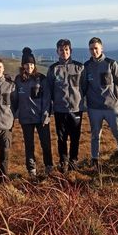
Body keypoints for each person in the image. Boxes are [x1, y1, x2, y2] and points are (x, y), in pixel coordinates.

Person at [84, 37, 118, 169]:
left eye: (96, 48)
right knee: (95, 135)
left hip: (111, 107)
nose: (94, 51)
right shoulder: (86, 66)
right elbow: (84, 86)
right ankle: (94, 159)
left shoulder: (111, 63)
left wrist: (116, 100)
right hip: (94, 108)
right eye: (91, 49)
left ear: (101, 48)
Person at [46, 39, 85, 173]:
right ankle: (63, 162)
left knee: (75, 137)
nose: (64, 52)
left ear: (71, 51)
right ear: (57, 52)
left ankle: (73, 162)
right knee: (61, 138)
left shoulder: (80, 68)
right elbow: (49, 90)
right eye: (61, 50)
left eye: (66, 50)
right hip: (60, 110)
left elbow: (85, 87)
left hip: (76, 109)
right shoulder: (53, 69)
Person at [14, 47, 53, 177]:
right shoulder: (18, 80)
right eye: (26, 64)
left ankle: (49, 167)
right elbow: (14, 98)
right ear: (22, 65)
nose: (29, 66)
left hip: (41, 118)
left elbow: (47, 98)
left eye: (31, 64)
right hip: (25, 119)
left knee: (46, 144)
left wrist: (46, 115)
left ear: (34, 65)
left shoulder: (41, 79)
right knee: (29, 146)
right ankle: (31, 170)